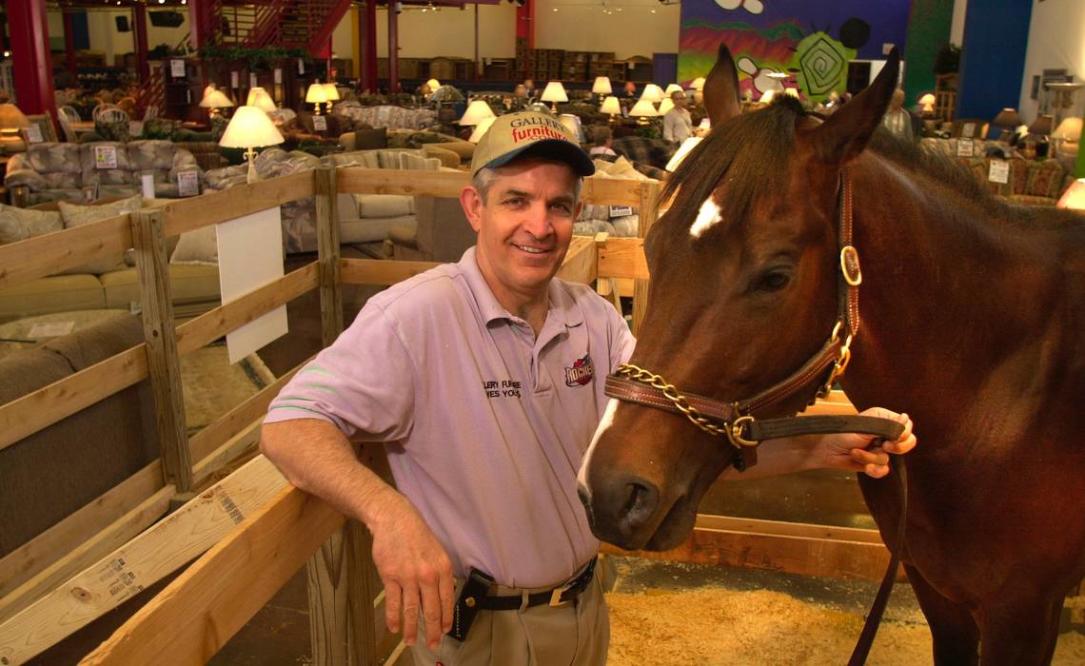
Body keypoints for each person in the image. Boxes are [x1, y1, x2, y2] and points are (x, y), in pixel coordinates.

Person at [260, 110, 917, 666]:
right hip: (479, 634)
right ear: (473, 208)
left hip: (582, 612)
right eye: (515, 201)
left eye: (558, 206)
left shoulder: (592, 319)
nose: (538, 226)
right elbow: (289, 424)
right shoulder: (415, 317)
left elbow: (669, 439)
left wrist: (824, 446)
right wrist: (388, 515)